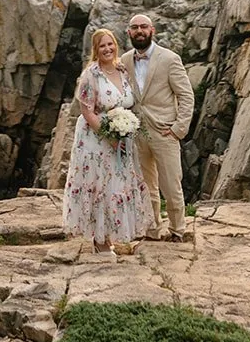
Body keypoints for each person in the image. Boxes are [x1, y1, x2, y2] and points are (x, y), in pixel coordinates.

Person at [62, 28, 153, 254]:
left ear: (116, 46)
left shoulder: (122, 70)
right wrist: (108, 135)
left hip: (122, 138)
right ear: (95, 50)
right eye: (102, 46)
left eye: (110, 44)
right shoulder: (91, 75)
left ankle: (112, 236)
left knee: (118, 186)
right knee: (100, 187)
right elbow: (87, 111)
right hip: (96, 140)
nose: (107, 49)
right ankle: (100, 241)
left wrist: (123, 130)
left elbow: (129, 101)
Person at [119, 13, 195, 242]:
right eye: (135, 27)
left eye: (144, 27)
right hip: (136, 131)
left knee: (171, 184)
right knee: (145, 185)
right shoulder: (124, 61)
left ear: (153, 30)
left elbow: (186, 95)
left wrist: (178, 129)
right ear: (129, 32)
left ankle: (178, 229)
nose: (139, 31)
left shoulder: (169, 59)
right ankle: (152, 229)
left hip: (165, 131)